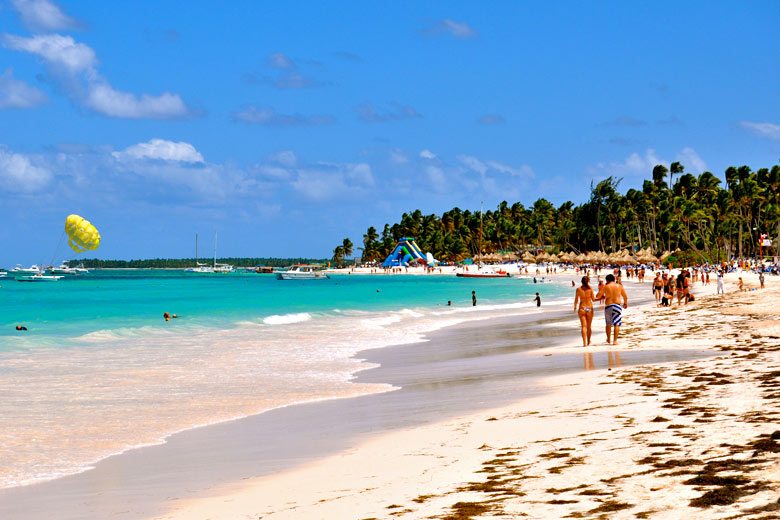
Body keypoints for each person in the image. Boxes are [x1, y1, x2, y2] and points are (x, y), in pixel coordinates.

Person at [595, 273, 628, 345]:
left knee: (608, 323)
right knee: (617, 323)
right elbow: (625, 296)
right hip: (617, 306)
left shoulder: (606, 286)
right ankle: (615, 341)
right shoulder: (619, 286)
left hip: (609, 306)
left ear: (607, 280)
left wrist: (602, 295)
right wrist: (625, 303)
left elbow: (598, 296)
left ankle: (609, 339)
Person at [574, 276, 595, 346]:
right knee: (589, 327)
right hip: (589, 308)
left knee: (583, 326)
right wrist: (601, 298)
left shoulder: (578, 289)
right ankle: (589, 341)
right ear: (588, 281)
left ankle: (584, 343)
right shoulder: (590, 289)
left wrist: (575, 307)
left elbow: (576, 300)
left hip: (582, 308)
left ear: (581, 281)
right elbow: (593, 299)